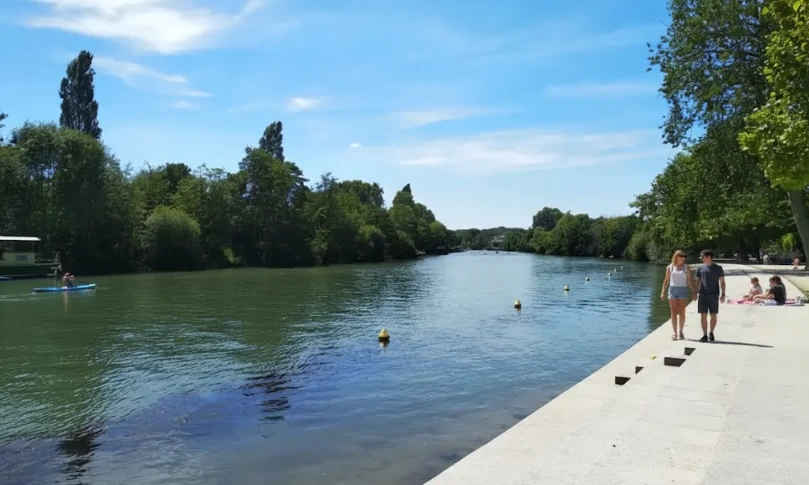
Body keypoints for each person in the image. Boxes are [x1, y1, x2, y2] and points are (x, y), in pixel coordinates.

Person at [693, 249, 726, 342]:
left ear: (708, 257)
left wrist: (723, 294)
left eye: (702, 256)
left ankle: (711, 332)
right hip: (703, 295)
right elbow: (697, 281)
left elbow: (722, 282)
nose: (701, 258)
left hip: (714, 295)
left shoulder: (718, 268)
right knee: (703, 315)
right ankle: (704, 335)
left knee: (713, 315)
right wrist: (695, 293)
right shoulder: (700, 268)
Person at [660, 250, 693, 340]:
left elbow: (690, 280)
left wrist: (694, 292)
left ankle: (681, 331)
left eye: (684, 256)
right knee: (673, 312)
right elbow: (666, 280)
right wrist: (663, 292)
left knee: (682, 311)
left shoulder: (686, 267)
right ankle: (674, 332)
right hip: (673, 290)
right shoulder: (669, 267)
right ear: (676, 257)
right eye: (681, 256)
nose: (683, 258)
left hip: (683, 289)